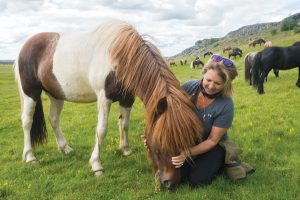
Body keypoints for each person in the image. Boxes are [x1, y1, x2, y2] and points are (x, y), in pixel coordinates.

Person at [171, 55, 239, 186]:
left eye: (218, 83)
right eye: (208, 80)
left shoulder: (226, 105)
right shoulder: (188, 87)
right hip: (190, 139)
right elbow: (169, 114)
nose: (211, 86)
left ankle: (222, 161)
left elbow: (212, 140)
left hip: (213, 145)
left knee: (197, 181)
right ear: (203, 73)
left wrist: (186, 154)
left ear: (226, 84)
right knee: (176, 176)